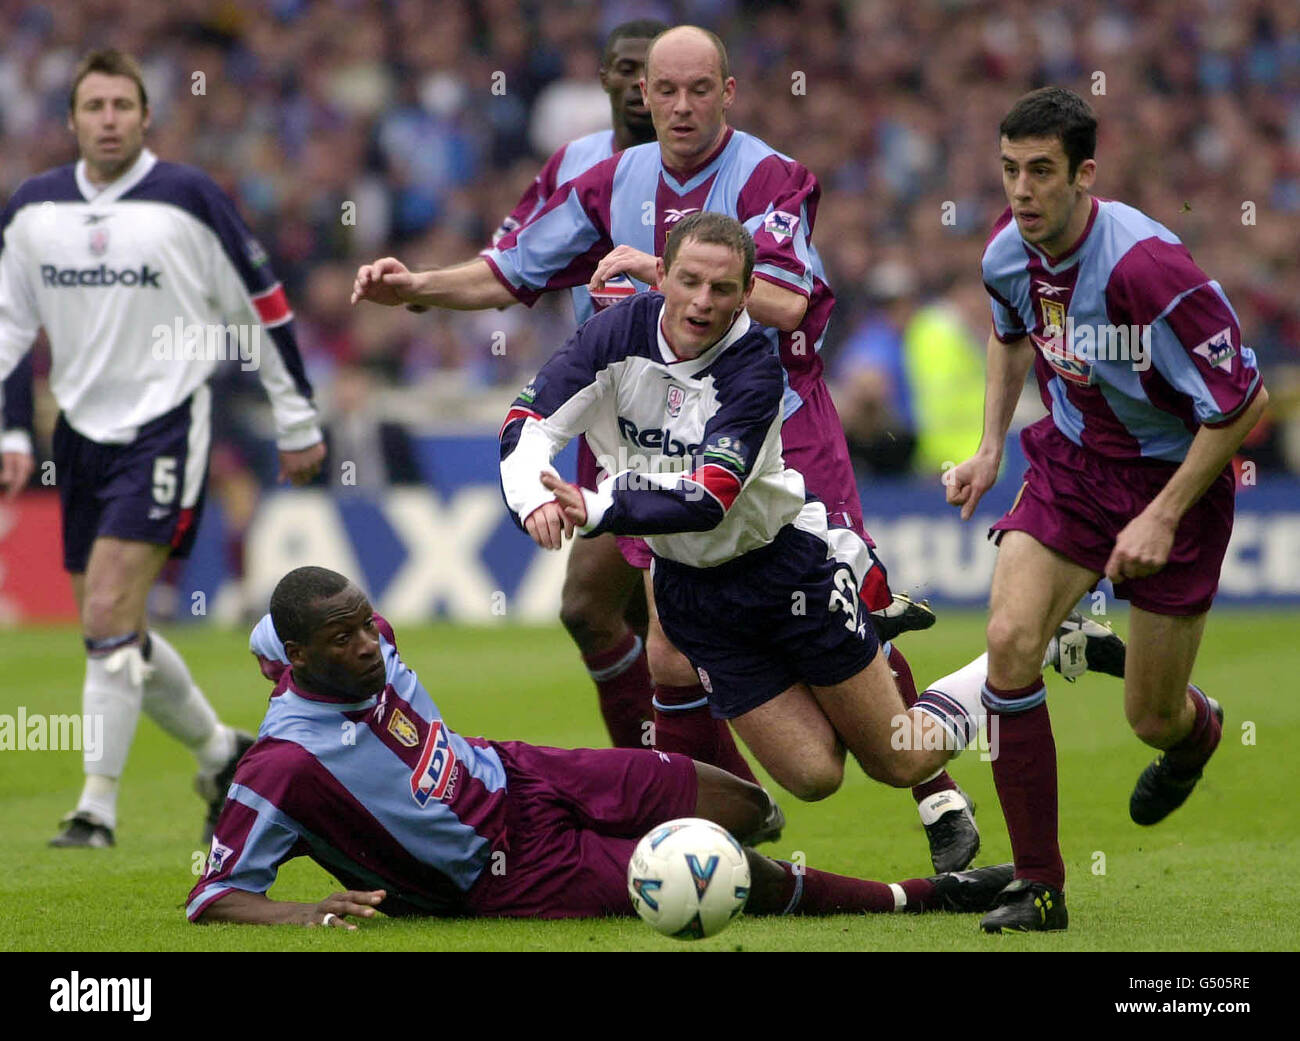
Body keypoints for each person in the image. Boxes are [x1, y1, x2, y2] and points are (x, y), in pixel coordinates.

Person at [354, 26, 982, 873]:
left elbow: (788, 305)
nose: (680, 107)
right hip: (660, 424)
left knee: (846, 600)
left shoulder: (767, 175)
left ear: (728, 92)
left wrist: (667, 274)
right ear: (640, 95)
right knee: (645, 632)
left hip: (775, 425)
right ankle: (706, 819)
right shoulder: (608, 176)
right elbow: (515, 269)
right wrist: (417, 288)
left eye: (698, 90)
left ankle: (932, 786)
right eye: (663, 90)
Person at [500, 214, 1119, 847]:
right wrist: (531, 501)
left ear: (747, 297)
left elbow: (710, 495)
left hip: (784, 571)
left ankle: (1036, 647)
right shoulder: (611, 336)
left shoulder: (752, 372)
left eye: (722, 290)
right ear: (660, 276)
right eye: (688, 281)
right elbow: (528, 421)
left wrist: (597, 507)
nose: (702, 302)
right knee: (815, 777)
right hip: (693, 595)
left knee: (900, 759)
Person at [186, 564, 1014, 926]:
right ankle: (921, 897)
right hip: (503, 872)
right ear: (297, 659)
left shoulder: (344, 636)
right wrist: (304, 908)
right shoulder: (284, 762)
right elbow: (213, 895)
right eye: (344, 638)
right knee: (722, 876)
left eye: (367, 623)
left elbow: (284, 621)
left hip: (521, 769)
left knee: (751, 805)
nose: (369, 644)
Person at [945, 87, 1268, 932]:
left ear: (1086, 174)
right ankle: (1041, 884)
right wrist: (989, 445)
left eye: (1042, 171)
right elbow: (1011, 333)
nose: (1022, 190)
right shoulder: (1006, 255)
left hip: (1176, 485)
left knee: (1149, 716)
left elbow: (1245, 403)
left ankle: (1194, 735)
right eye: (1010, 170)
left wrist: (1162, 514)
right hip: (1075, 466)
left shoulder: (1148, 270)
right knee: (1011, 642)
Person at [0, 50, 326, 847]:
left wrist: (298, 419)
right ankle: (221, 753)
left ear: (146, 117)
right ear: (71, 119)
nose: (108, 118)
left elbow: (264, 304)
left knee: (109, 612)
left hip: (169, 424)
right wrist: (10, 428)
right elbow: (9, 327)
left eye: (122, 104)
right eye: (94, 105)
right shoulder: (34, 209)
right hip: (76, 435)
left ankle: (94, 810)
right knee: (114, 628)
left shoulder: (189, 197)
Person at [485, 18, 667, 754]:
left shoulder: (720, 168)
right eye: (624, 68)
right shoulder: (575, 165)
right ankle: (664, 777)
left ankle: (693, 783)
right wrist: (426, 286)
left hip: (696, 410)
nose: (636, 84)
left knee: (682, 626)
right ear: (604, 79)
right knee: (593, 608)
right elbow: (510, 258)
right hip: (609, 412)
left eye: (650, 72)